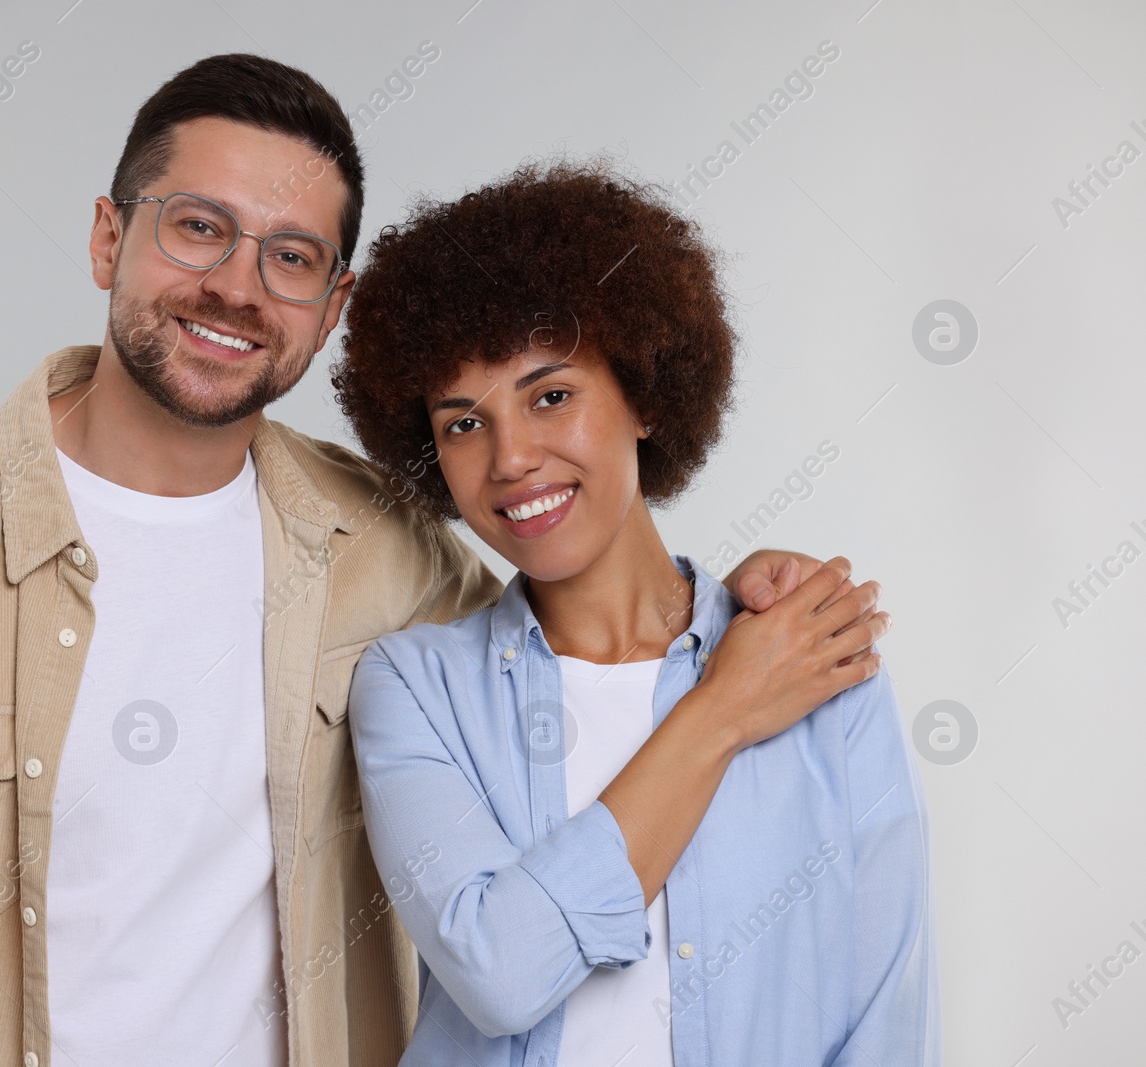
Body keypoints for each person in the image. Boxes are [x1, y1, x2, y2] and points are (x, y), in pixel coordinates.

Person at [0, 56, 871, 1067]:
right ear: (106, 237)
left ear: (332, 302)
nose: (236, 285)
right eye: (199, 227)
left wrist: (741, 586)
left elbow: (563, 594)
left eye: (289, 256)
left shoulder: (384, 547)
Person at [334, 158, 939, 1066]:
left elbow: (888, 1012)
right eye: (463, 422)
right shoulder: (414, 688)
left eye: (551, 395)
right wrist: (723, 709)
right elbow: (499, 974)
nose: (510, 458)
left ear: (645, 398)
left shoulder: (813, 656)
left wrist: (745, 662)